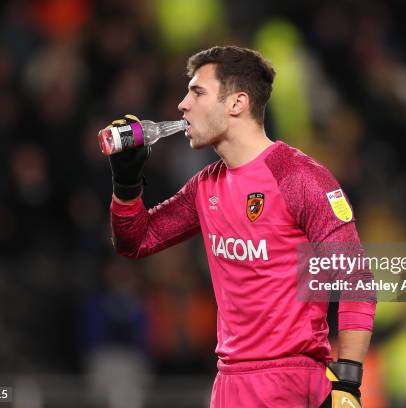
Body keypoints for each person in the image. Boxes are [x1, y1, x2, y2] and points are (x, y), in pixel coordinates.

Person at [105, 45, 376, 407]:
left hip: (290, 381)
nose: (183, 105)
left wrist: (348, 383)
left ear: (237, 103)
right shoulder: (205, 186)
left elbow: (355, 277)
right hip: (229, 383)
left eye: (197, 92)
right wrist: (126, 186)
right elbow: (135, 240)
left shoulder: (300, 178)